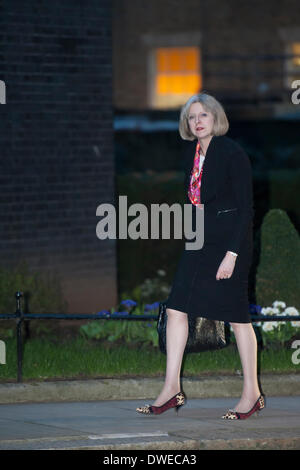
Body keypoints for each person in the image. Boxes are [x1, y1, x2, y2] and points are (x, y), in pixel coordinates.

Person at [136, 92, 265, 420]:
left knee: (237, 319)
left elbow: (246, 209)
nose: (197, 121)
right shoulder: (193, 155)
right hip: (199, 244)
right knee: (176, 308)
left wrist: (232, 254)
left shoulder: (232, 153)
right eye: (192, 117)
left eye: (203, 115)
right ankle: (171, 389)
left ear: (215, 118)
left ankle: (251, 393)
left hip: (229, 246)